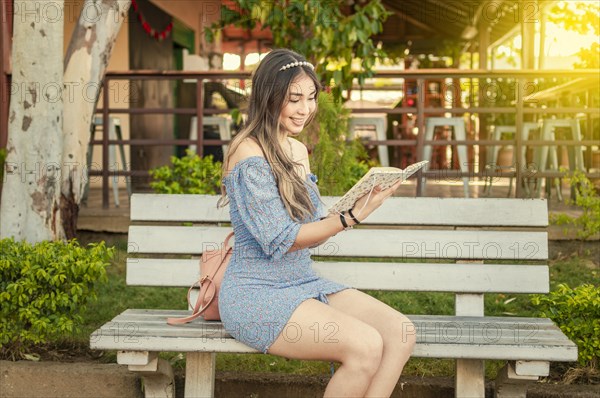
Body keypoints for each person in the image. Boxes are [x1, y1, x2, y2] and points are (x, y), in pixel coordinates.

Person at [216, 48, 415, 397]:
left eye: (311, 98)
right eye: (294, 99)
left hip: (303, 282)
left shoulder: (296, 151)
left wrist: (359, 203)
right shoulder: (246, 152)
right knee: (365, 346)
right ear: (268, 96)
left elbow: (311, 235)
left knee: (400, 332)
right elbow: (282, 239)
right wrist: (350, 218)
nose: (305, 109)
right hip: (256, 294)